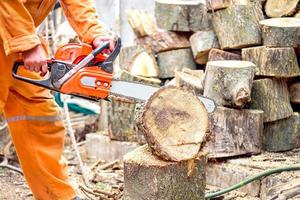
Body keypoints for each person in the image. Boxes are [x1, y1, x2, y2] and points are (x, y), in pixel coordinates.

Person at [0, 0, 116, 199]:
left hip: (12, 40)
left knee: (40, 118)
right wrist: (27, 43)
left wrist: (94, 31)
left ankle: (58, 195)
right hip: (15, 35)